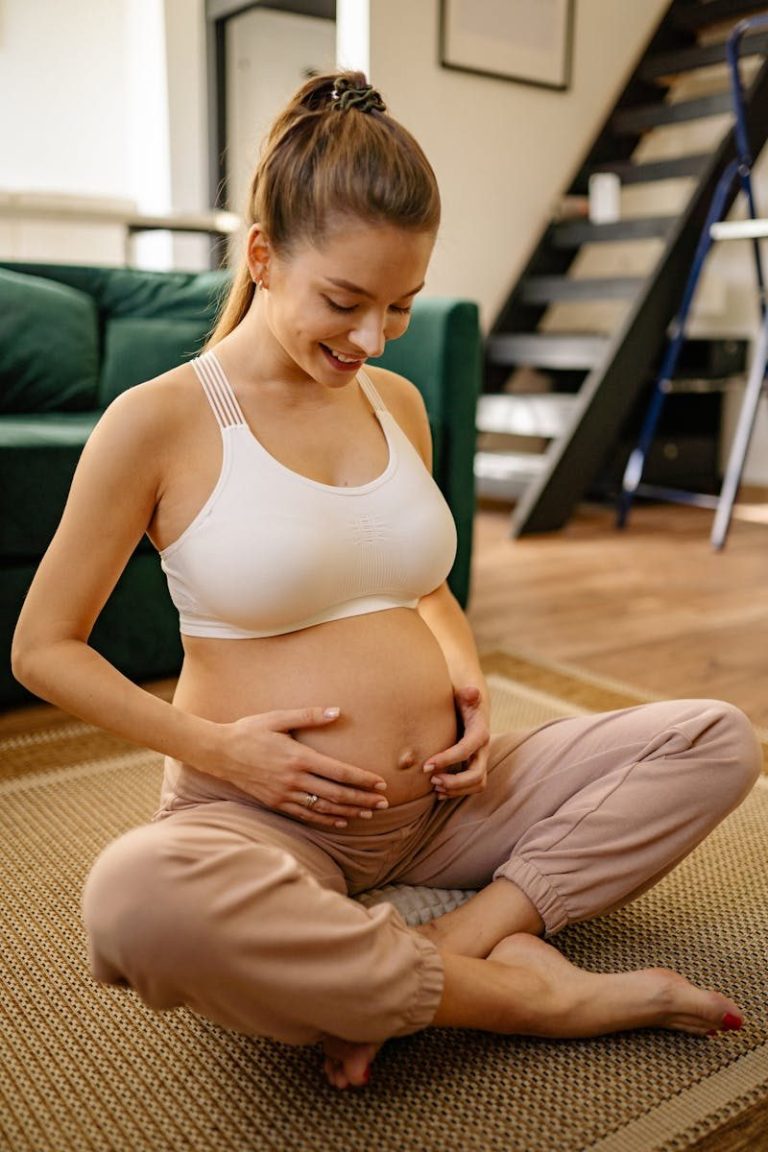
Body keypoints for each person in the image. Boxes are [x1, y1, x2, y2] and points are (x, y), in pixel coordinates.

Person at [12, 71, 762, 1091]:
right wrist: (224, 752)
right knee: (138, 902)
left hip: (451, 808)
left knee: (715, 740)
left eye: (400, 307)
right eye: (345, 301)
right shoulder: (159, 421)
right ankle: (526, 996)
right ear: (265, 256)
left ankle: (460, 936)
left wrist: (466, 680)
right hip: (262, 818)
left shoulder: (397, 402)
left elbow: (422, 585)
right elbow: (42, 647)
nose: (369, 340)